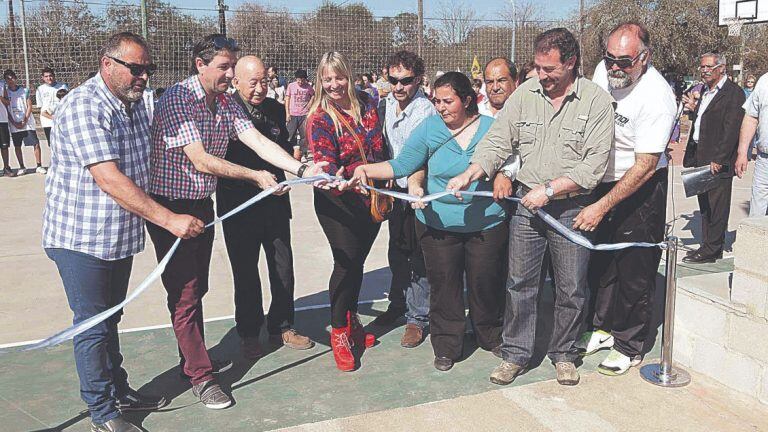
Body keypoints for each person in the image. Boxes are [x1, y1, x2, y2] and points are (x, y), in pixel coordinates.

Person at [147, 34, 327, 409]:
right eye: (224, 67)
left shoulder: (225, 102)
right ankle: (201, 376)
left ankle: (190, 359)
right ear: (200, 64)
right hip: (170, 207)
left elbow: (258, 140)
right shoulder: (178, 99)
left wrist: (302, 168)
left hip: (200, 205)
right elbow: (200, 159)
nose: (231, 74)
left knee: (197, 289)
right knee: (185, 294)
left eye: (233, 66)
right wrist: (256, 176)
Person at [447, 28, 614, 386]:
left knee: (571, 287)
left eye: (549, 69)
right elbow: (497, 141)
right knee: (520, 283)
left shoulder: (596, 102)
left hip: (571, 207)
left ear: (570, 63)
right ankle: (516, 354)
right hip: (527, 206)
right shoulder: (525, 94)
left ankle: (564, 354)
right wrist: (471, 173)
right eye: (537, 67)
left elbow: (593, 167)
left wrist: (550, 190)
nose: (542, 75)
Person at [43, 32, 189, 432]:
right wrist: (169, 219)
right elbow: (109, 179)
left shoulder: (136, 104)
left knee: (111, 319)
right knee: (92, 324)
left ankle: (118, 390)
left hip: (118, 237)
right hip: (81, 239)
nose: (144, 76)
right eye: (136, 69)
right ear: (107, 64)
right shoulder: (84, 106)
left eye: (149, 69)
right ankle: (103, 413)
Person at [349, 71, 507, 371]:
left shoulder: (491, 128)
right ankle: (447, 344)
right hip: (438, 226)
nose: (441, 107)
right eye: (436, 101)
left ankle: (490, 334)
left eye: (448, 101)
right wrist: (365, 170)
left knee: (484, 284)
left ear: (468, 100)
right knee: (444, 286)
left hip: (486, 225)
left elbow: (507, 163)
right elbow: (403, 165)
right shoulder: (429, 128)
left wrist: (502, 178)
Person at [576, 23, 677, 375]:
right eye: (610, 58)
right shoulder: (603, 71)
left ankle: (629, 343)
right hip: (602, 180)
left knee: (635, 268)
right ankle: (602, 327)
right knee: (600, 263)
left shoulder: (657, 97)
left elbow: (646, 165)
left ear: (645, 58)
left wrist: (603, 205)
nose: (615, 67)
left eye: (625, 61)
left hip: (640, 186)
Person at [218, 55, 315, 360]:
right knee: (245, 272)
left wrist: (296, 172)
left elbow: (282, 152)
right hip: (239, 206)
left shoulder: (275, 110)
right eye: (253, 82)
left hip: (275, 204)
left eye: (265, 81)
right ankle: (248, 332)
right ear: (235, 82)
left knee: (282, 267)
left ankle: (283, 325)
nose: (260, 88)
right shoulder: (223, 111)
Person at [306, 51, 385, 372]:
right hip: (337, 200)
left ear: (349, 76)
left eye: (339, 77)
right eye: (327, 79)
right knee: (345, 262)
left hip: (372, 198)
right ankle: (339, 331)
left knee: (358, 263)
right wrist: (334, 175)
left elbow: (381, 146)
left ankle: (352, 321)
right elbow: (324, 157)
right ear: (320, 82)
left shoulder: (368, 103)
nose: (334, 84)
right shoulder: (320, 118)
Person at [369, 50, 436, 349]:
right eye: (393, 80)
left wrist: (412, 188)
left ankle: (418, 318)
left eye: (406, 81)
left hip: (419, 191)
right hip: (394, 192)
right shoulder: (386, 105)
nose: (398, 87)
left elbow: (415, 159)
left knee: (418, 256)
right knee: (397, 251)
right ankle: (398, 304)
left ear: (419, 80)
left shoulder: (425, 112)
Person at [681, 53, 745, 264]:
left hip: (718, 161)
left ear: (721, 68)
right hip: (701, 155)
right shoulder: (706, 92)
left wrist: (720, 158)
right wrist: (693, 109)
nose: (704, 70)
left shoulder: (733, 93)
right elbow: (707, 120)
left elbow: (731, 129)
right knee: (705, 205)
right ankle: (708, 246)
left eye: (709, 67)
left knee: (717, 206)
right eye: (702, 67)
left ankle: (712, 248)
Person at [736, 72, 768, 216]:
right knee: (757, 215)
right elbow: (751, 118)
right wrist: (742, 152)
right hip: (764, 160)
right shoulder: (764, 81)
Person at [4, 69, 45, 174]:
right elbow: (6, 109)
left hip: (27, 123)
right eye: (7, 79)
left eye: (12, 78)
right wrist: (13, 122)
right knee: (17, 146)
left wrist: (25, 120)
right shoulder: (5, 92)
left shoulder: (24, 90)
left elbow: (29, 105)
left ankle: (39, 165)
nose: (10, 81)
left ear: (15, 78)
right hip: (14, 124)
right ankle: (22, 166)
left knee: (35, 143)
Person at [285, 68, 314, 161]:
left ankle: (303, 154)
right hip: (293, 114)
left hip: (304, 114)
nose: (300, 81)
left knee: (304, 136)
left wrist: (310, 103)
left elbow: (313, 95)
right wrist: (287, 113)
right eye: (298, 79)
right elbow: (287, 99)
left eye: (302, 79)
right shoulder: (291, 86)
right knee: (289, 135)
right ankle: (288, 154)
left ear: (305, 79)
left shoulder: (308, 87)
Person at [36, 67, 68, 145]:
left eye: (50, 76)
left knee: (64, 143)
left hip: (62, 120)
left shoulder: (63, 86)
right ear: (42, 78)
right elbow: (40, 106)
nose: (49, 78)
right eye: (46, 76)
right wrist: (51, 117)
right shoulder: (40, 89)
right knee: (52, 144)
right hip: (47, 121)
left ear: (54, 76)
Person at [0, 76, 14, 177]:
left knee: (4, 146)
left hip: (2, 119)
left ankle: (6, 167)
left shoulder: (2, 85)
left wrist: (0, 97)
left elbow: (7, 102)